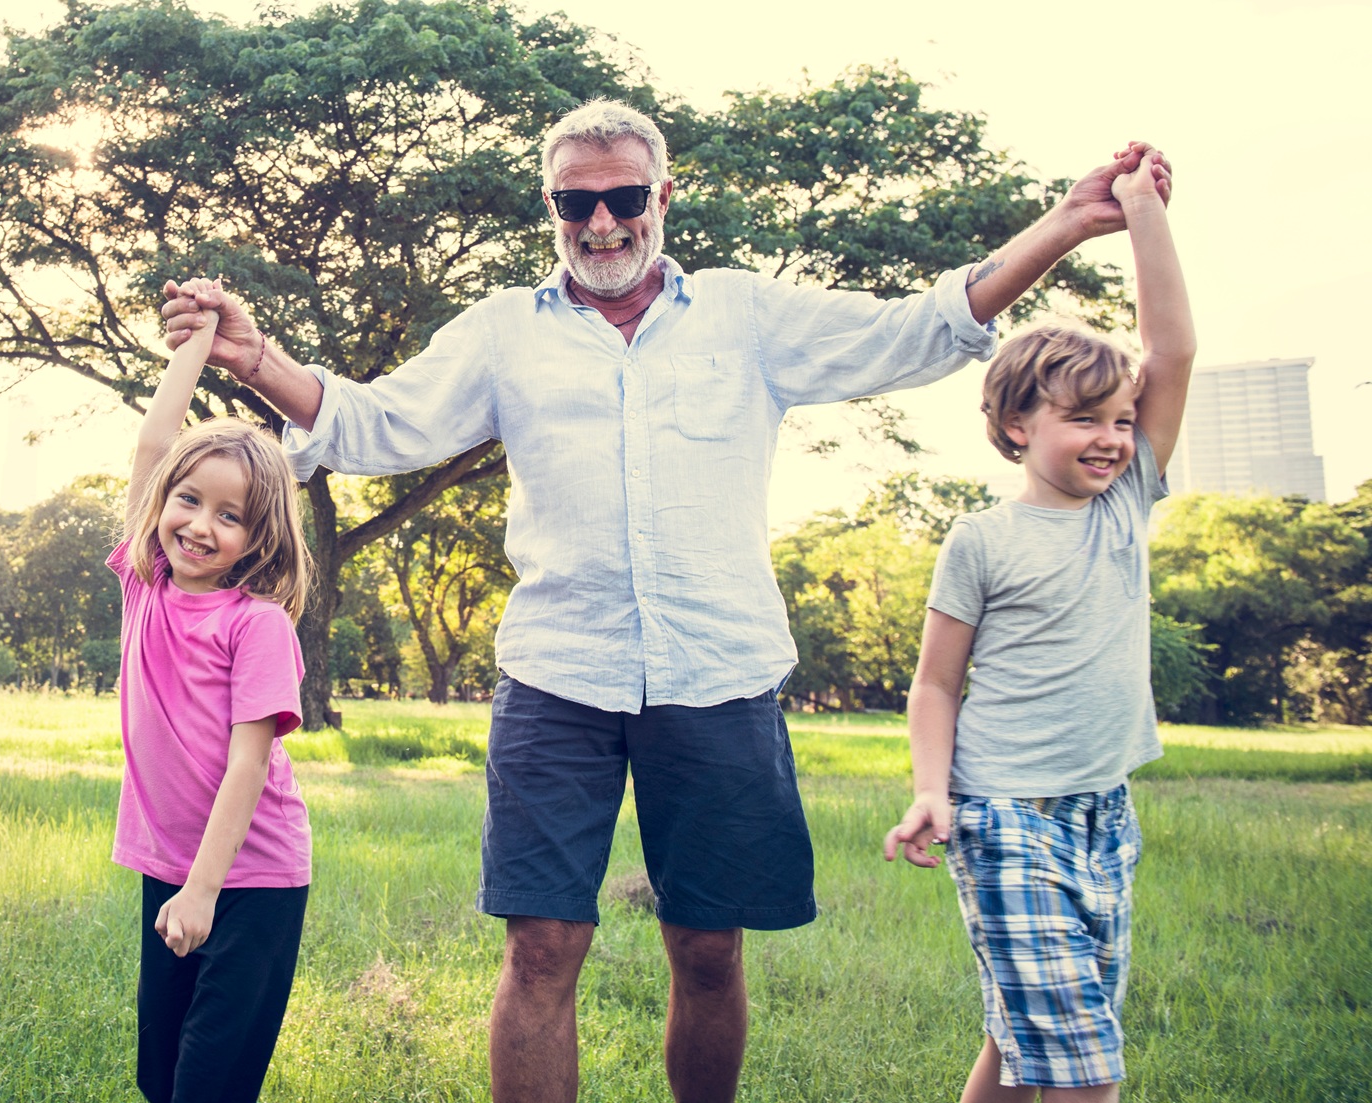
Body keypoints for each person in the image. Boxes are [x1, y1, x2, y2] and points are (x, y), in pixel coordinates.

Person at [162, 99, 1172, 1103]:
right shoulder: (506, 332)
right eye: (576, 203)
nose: (601, 222)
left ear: (663, 196)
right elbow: (376, 421)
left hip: (717, 673)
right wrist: (254, 358)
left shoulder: (745, 314)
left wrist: (1065, 223)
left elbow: (919, 327)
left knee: (708, 946)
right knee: (541, 944)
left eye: (624, 197)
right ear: (551, 208)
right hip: (557, 674)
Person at [882, 149, 1192, 1103]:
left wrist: (1141, 210)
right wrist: (930, 790)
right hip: (1005, 813)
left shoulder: (1126, 501)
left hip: (1104, 811)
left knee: (1026, 1039)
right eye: (1084, 418)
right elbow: (936, 682)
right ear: (1017, 424)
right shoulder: (980, 540)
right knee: (1083, 1063)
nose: (1112, 438)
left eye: (1122, 419)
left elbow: (1172, 352)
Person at [112, 291, 315, 1103]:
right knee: (160, 1078)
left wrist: (204, 889)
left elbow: (247, 765)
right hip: (168, 864)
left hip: (252, 878)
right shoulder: (143, 585)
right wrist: (195, 341)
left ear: (257, 536)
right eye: (189, 500)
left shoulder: (256, 625)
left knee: (210, 1083)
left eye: (229, 516)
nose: (200, 525)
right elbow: (154, 443)